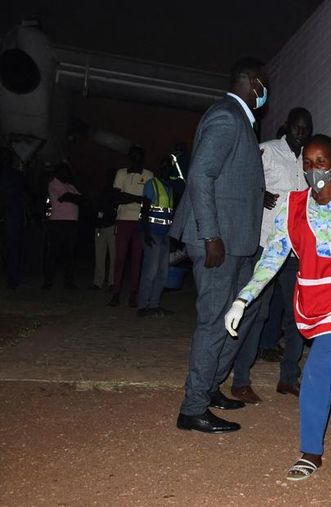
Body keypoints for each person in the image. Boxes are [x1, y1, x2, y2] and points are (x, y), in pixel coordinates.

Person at [224, 134, 331, 480]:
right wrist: (244, 297)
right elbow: (273, 255)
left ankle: (311, 452)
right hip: (312, 296)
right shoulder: (292, 204)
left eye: (321, 163)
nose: (314, 170)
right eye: (308, 164)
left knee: (315, 367)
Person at [169, 57, 268, 434]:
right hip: (218, 242)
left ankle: (209, 389)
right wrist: (211, 236)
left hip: (238, 242)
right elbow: (200, 175)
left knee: (239, 318)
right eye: (264, 85)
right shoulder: (227, 116)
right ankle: (192, 407)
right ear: (253, 83)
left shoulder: (241, 120)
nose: (266, 93)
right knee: (214, 322)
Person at [230, 107, 312, 404]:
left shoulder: (309, 160)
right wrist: (258, 193)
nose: (301, 132)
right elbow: (241, 181)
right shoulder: (266, 150)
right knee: (257, 312)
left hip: (295, 250)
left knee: (295, 315)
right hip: (266, 245)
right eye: (297, 126)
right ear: (287, 125)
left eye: (306, 128)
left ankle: (288, 377)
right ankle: (240, 380)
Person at [109, 146, 153, 307]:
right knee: (119, 258)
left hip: (140, 221)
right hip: (123, 219)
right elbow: (116, 197)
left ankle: (134, 294)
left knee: (136, 259)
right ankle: (116, 293)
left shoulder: (148, 174)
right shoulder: (122, 173)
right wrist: (138, 199)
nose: (136, 157)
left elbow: (148, 200)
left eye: (138, 155)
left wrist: (128, 197)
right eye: (133, 155)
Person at [136, 158, 176, 316]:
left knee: (162, 273)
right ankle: (142, 306)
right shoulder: (151, 184)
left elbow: (170, 214)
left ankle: (154, 304)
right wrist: (145, 233)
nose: (166, 169)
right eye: (163, 166)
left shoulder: (170, 187)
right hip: (152, 232)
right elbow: (144, 210)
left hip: (165, 234)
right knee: (150, 271)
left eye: (168, 167)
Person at [44, 162, 84, 290]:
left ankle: (68, 282)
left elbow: (81, 199)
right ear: (58, 172)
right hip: (58, 222)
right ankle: (48, 281)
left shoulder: (70, 185)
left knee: (70, 254)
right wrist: (72, 198)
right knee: (54, 253)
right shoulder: (54, 183)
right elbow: (67, 197)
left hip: (71, 222)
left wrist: (70, 198)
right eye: (64, 171)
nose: (67, 173)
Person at [0, 148, 26, 289]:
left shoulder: (17, 175)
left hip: (12, 216)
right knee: (13, 250)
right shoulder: (17, 175)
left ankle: (13, 280)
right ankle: (13, 280)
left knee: (13, 250)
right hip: (12, 216)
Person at [92, 178, 117, 290]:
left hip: (112, 227)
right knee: (100, 256)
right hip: (100, 228)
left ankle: (112, 282)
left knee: (113, 256)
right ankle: (98, 282)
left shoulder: (116, 193)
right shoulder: (101, 193)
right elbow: (96, 210)